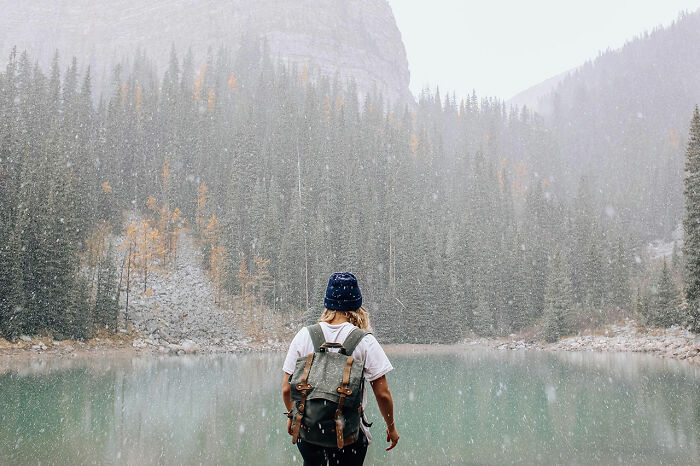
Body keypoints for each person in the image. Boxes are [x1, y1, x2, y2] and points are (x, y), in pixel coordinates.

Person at [282, 272, 399, 465]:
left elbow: (287, 388)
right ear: (357, 306)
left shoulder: (304, 335)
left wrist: (293, 416)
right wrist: (391, 427)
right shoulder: (365, 340)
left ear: (328, 304)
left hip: (310, 434)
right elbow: (383, 393)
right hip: (349, 438)